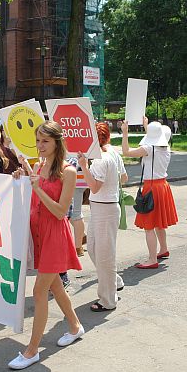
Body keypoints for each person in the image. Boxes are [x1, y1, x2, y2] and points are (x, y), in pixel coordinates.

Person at [8, 121, 84, 370]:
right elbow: (32, 195)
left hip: (55, 236)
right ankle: (74, 326)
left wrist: (38, 188)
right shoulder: (39, 165)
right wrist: (22, 179)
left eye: (45, 141)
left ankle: (31, 351)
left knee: (39, 292)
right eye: (38, 140)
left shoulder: (68, 171)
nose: (40, 145)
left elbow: (61, 212)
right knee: (55, 287)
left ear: (57, 142)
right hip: (38, 233)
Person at [77, 122, 128, 312]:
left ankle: (108, 300)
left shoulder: (100, 159)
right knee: (93, 248)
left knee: (103, 255)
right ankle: (114, 281)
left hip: (104, 209)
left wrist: (84, 167)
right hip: (105, 207)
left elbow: (94, 187)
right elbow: (124, 178)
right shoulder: (113, 153)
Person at [121, 117, 178, 269]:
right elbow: (153, 140)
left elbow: (126, 152)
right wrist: (147, 126)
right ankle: (163, 249)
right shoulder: (165, 148)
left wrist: (125, 133)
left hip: (151, 186)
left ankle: (152, 259)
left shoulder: (148, 149)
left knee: (149, 226)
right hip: (163, 186)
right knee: (159, 223)